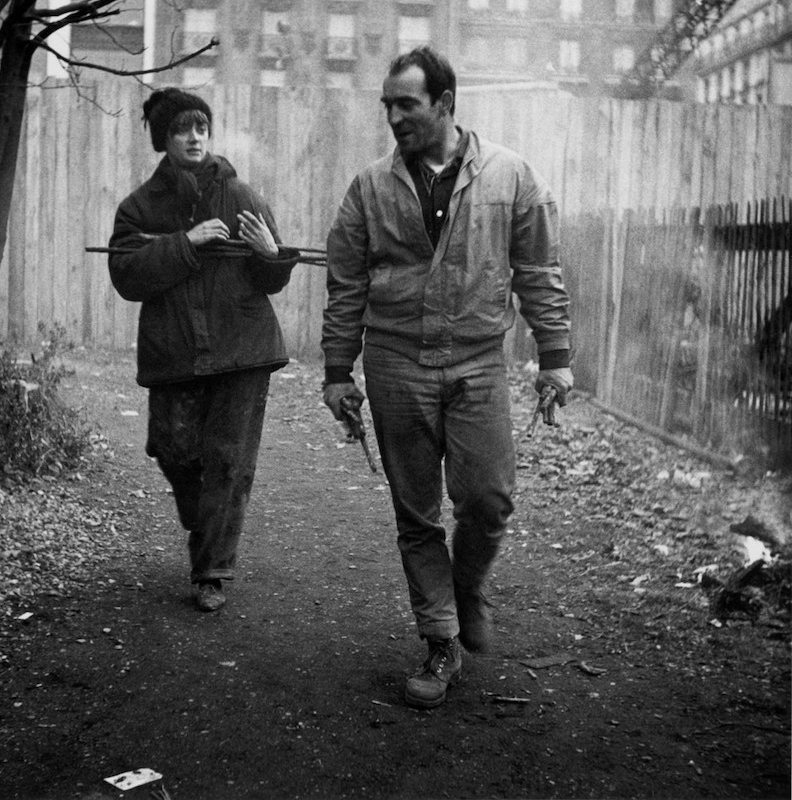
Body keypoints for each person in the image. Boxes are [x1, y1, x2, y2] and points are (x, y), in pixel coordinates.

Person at [321, 46, 573, 709]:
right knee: (417, 513)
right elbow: (346, 286)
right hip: (396, 362)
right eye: (387, 106)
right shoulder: (369, 188)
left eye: (407, 104)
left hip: (477, 360)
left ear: (445, 103)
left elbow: (539, 272)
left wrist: (555, 356)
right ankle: (440, 642)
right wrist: (338, 372)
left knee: (489, 500)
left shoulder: (511, 176)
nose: (394, 117)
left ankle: (466, 589)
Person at [108, 87, 298, 613]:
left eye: (201, 128)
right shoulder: (140, 208)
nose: (194, 138)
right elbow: (126, 276)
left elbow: (272, 277)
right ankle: (203, 519)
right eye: (181, 130)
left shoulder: (242, 196)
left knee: (228, 462)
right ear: (162, 139)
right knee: (172, 450)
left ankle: (212, 571)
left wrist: (271, 255)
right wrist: (185, 242)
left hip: (242, 347)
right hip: (175, 352)